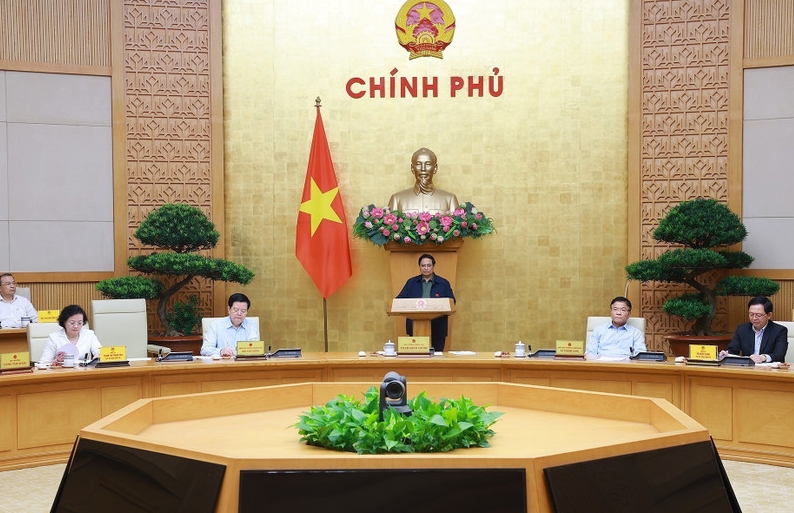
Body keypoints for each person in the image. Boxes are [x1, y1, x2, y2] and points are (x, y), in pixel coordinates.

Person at [396, 253, 455, 352]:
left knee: (436, 359)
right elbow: (399, 301)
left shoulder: (443, 283)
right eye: (423, 265)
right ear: (419, 267)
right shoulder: (411, 283)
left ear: (433, 266)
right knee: (416, 359)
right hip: (415, 327)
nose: (426, 268)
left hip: (438, 327)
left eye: (429, 265)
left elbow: (452, 303)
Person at [388, 147, 459, 214]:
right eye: (418, 164)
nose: (423, 168)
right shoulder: (397, 199)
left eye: (428, 164)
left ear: (435, 168)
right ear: (412, 168)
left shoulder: (450, 199)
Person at [720, 296, 788, 363]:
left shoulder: (779, 331)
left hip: (769, 370)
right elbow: (733, 349)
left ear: (769, 315)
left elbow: (779, 354)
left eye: (758, 315)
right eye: (751, 314)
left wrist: (763, 357)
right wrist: (727, 354)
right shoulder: (742, 329)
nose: (754, 318)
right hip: (748, 369)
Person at [201, 293, 260, 357]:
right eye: (236, 310)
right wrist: (221, 351)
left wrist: (238, 352)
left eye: (243, 311)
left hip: (244, 365)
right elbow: (205, 349)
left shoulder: (251, 325)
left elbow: (254, 348)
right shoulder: (216, 325)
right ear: (229, 309)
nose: (239, 313)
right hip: (223, 365)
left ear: (247, 312)